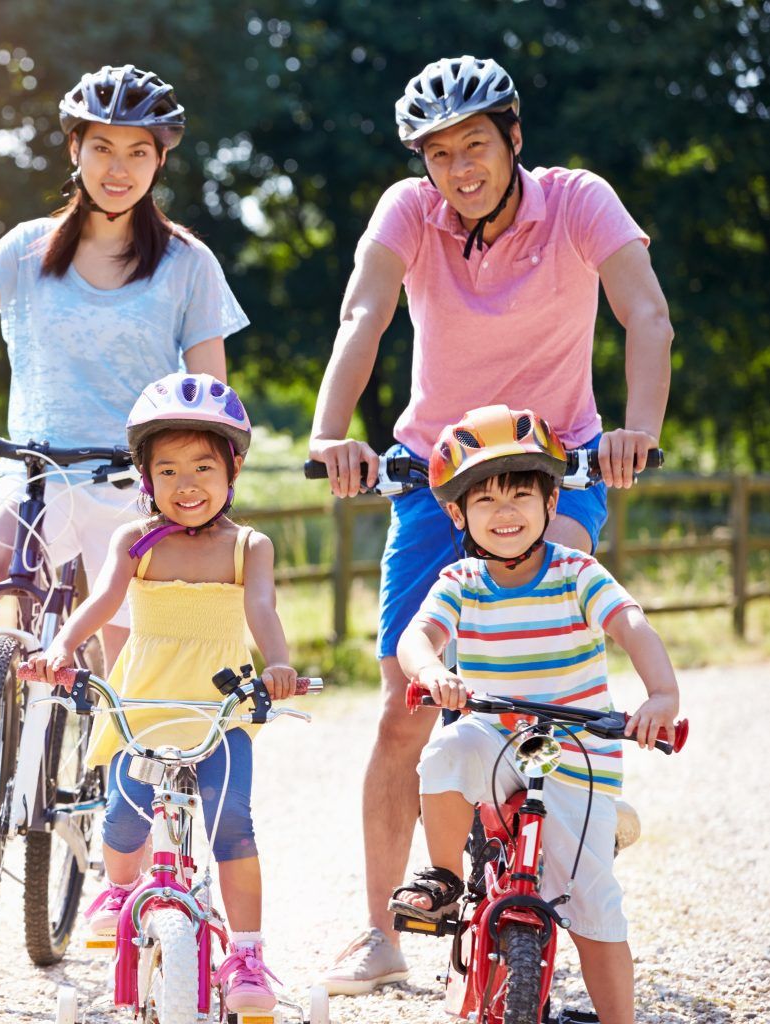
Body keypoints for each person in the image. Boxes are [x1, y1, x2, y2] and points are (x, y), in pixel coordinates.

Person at [310, 55, 674, 993]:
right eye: (438, 154)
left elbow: (645, 315)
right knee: (405, 703)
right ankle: (386, 931)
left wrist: (639, 430)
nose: (458, 168)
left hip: (556, 464)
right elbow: (364, 312)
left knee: (559, 618)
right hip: (436, 472)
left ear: (513, 138)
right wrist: (327, 433)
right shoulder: (407, 212)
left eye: (475, 144)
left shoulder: (577, 201)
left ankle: (579, 805)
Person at [0, 65, 248, 773]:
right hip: (34, 474)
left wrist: (202, 482)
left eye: (138, 151)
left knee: (132, 694)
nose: (118, 168)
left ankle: (122, 833)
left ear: (161, 158)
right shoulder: (26, 249)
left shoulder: (188, 264)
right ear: (74, 149)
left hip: (136, 487)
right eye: (102, 147)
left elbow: (208, 395)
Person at [391, 404, 680, 1024]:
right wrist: (433, 672)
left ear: (552, 504)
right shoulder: (461, 579)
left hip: (576, 754)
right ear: (456, 513)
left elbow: (632, 626)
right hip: (497, 739)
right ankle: (443, 876)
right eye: (486, 499)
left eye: (522, 494)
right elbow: (416, 638)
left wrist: (660, 697)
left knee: (592, 904)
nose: (505, 512)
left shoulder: (577, 571)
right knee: (444, 751)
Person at [24, 372, 295, 1013]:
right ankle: (121, 892)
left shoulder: (249, 547)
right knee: (121, 822)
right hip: (143, 708)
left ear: (232, 470)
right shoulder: (135, 542)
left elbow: (263, 612)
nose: (187, 484)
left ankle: (248, 954)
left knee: (233, 826)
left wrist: (279, 665)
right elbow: (103, 602)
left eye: (203, 466)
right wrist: (62, 648)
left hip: (220, 713)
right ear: (146, 478)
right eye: (167, 471)